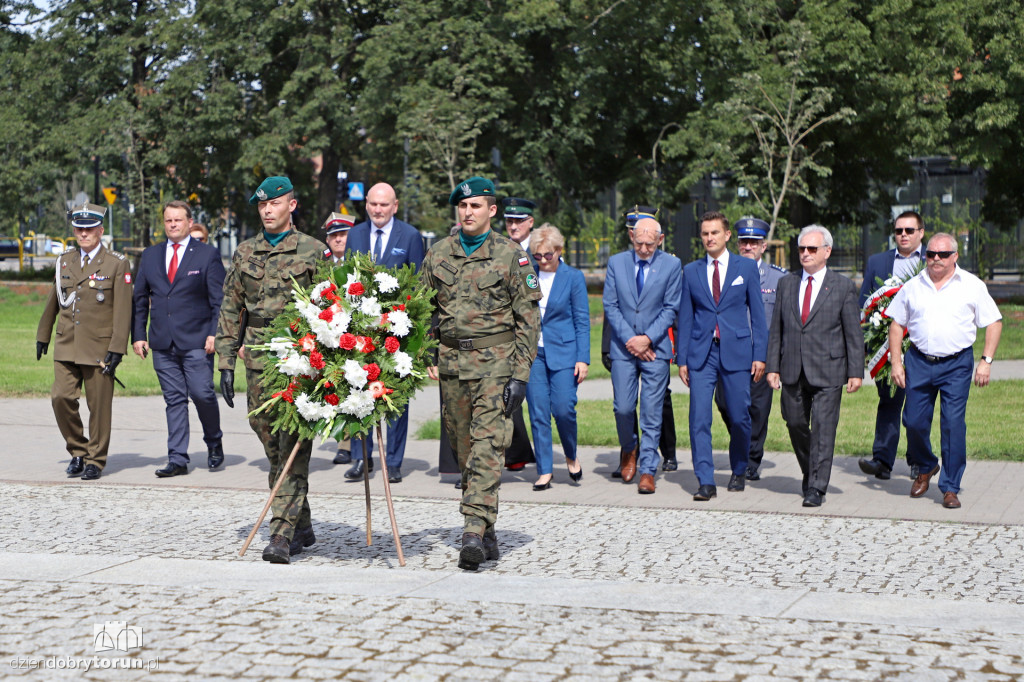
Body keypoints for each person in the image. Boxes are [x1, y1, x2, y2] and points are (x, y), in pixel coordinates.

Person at [422, 176, 541, 571]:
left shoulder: (511, 256)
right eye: (462, 206)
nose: (468, 212)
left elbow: (528, 319)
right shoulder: (437, 254)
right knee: (465, 451)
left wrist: (521, 374)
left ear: (491, 211)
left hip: (496, 366)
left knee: (489, 446)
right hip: (453, 367)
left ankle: (472, 529)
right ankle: (487, 528)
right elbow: (421, 310)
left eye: (476, 206)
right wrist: (424, 352)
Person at [214, 176, 327, 564]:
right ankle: (303, 522)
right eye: (262, 205)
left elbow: (334, 310)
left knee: (291, 443)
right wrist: (226, 361)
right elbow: (232, 308)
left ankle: (281, 532)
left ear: (291, 206)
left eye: (275, 204)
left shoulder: (315, 251)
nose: (267, 210)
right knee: (269, 439)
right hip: (259, 358)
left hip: (301, 359)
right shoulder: (245, 253)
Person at [886, 232, 1002, 509]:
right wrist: (896, 362)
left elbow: (994, 322)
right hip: (919, 361)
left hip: (956, 364)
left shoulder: (972, 285)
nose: (936, 259)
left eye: (943, 254)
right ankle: (926, 465)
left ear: (955, 257)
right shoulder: (913, 286)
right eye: (931, 254)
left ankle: (950, 487)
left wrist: (986, 360)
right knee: (913, 421)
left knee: (952, 425)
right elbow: (895, 324)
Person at [766, 224, 864, 507]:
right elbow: (777, 330)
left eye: (812, 249)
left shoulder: (842, 286)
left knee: (823, 428)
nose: (805, 254)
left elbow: (852, 333)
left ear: (827, 251)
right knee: (794, 421)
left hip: (829, 370)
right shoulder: (787, 283)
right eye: (802, 249)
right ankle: (812, 471)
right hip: (793, 369)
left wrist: (855, 371)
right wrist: (773, 366)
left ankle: (816, 487)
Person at [36, 202, 132, 481]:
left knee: (99, 406)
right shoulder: (65, 261)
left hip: (99, 346)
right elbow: (54, 299)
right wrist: (43, 334)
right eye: (79, 228)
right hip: (66, 342)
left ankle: (95, 460)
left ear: (100, 230)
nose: (84, 233)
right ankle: (78, 450)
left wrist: (117, 348)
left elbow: (123, 310)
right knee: (61, 397)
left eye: (89, 228)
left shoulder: (116, 262)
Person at [131, 200, 226, 478]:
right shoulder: (150, 255)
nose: (173, 224)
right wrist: (138, 334)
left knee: (202, 393)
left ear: (188, 222)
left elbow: (218, 300)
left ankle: (214, 441)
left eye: (178, 220)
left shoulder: (206, 255)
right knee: (174, 400)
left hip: (197, 340)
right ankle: (177, 458)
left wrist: (214, 332)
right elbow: (139, 299)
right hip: (162, 342)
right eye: (168, 220)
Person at [677, 211, 767, 501]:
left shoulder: (746, 267)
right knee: (699, 418)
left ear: (727, 235)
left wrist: (760, 355)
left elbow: (758, 317)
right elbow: (686, 317)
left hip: (737, 351)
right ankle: (705, 480)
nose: (709, 238)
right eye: (704, 233)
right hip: (701, 354)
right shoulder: (691, 271)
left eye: (714, 233)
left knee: (740, 416)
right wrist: (682, 360)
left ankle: (740, 468)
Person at [345, 183, 424, 483]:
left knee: (396, 397)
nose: (378, 210)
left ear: (395, 205)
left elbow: (417, 284)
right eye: (373, 204)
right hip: (360, 329)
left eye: (384, 205)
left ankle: (394, 461)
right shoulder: (355, 234)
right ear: (366, 204)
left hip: (397, 330)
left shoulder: (410, 235)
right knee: (356, 390)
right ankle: (360, 457)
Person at [603, 218, 682, 495]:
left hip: (656, 349)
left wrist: (647, 338)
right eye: (639, 243)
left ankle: (648, 468)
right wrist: (631, 340)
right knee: (623, 408)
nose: (644, 249)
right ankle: (629, 449)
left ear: (660, 240)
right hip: (624, 348)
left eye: (650, 244)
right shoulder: (616, 263)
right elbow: (610, 306)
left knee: (651, 411)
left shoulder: (672, 265)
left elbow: (671, 307)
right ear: (631, 238)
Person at [713, 217, 786, 481]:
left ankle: (751, 459)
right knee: (724, 403)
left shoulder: (778, 278)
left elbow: (780, 322)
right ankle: (742, 442)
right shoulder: (723, 272)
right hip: (727, 352)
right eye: (744, 241)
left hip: (760, 354)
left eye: (754, 242)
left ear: (763, 246)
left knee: (757, 409)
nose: (748, 246)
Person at [857, 210, 927, 482]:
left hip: (922, 346)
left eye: (910, 230)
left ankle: (918, 461)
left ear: (921, 232)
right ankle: (882, 460)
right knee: (888, 402)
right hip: (886, 347)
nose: (904, 235)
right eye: (899, 231)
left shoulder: (933, 260)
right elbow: (864, 303)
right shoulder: (878, 261)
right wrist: (864, 343)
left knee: (917, 407)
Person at [524, 225, 590, 490]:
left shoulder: (573, 277)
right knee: (538, 412)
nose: (542, 260)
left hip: (564, 352)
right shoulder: (529, 275)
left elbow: (582, 320)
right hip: (533, 354)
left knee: (564, 410)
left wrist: (582, 358)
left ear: (559, 251)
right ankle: (544, 470)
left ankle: (571, 455)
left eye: (547, 255)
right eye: (537, 256)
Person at [499, 196, 539, 473]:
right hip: (504, 338)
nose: (513, 226)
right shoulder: (500, 250)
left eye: (518, 221)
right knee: (506, 400)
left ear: (530, 223)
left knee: (536, 404)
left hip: (534, 336)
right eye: (509, 221)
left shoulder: (540, 250)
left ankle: (540, 459)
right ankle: (513, 455)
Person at [320, 212, 356, 465]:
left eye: (343, 234)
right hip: (329, 333)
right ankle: (341, 442)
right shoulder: (322, 262)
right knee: (333, 388)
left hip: (356, 332)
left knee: (354, 386)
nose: (339, 240)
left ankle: (351, 443)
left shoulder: (359, 261)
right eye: (334, 235)